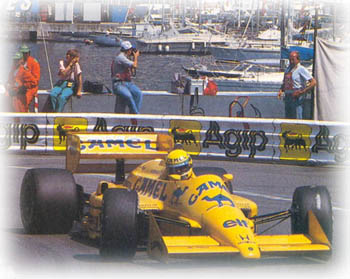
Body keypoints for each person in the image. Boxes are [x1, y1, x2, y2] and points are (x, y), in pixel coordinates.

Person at [278, 51, 316, 119]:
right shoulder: (288, 69)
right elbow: (285, 82)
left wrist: (302, 92)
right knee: (288, 117)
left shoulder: (301, 69)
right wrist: (281, 90)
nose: (291, 61)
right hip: (287, 96)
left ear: (298, 59)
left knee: (297, 116)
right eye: (290, 59)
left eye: (293, 59)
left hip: (297, 96)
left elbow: (313, 82)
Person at [111, 40, 143, 114]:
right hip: (118, 84)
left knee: (138, 94)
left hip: (127, 83)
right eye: (131, 50)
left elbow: (132, 71)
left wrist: (131, 58)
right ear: (128, 50)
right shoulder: (121, 57)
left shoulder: (126, 58)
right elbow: (135, 65)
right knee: (128, 96)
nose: (132, 51)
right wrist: (136, 57)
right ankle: (135, 116)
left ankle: (133, 115)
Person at [12, 44, 40, 112]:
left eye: (25, 53)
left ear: (28, 53)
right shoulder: (16, 64)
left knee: (23, 101)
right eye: (22, 53)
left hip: (30, 88)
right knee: (12, 100)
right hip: (19, 87)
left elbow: (35, 81)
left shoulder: (33, 63)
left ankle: (25, 115)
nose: (24, 55)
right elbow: (12, 78)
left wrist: (24, 86)